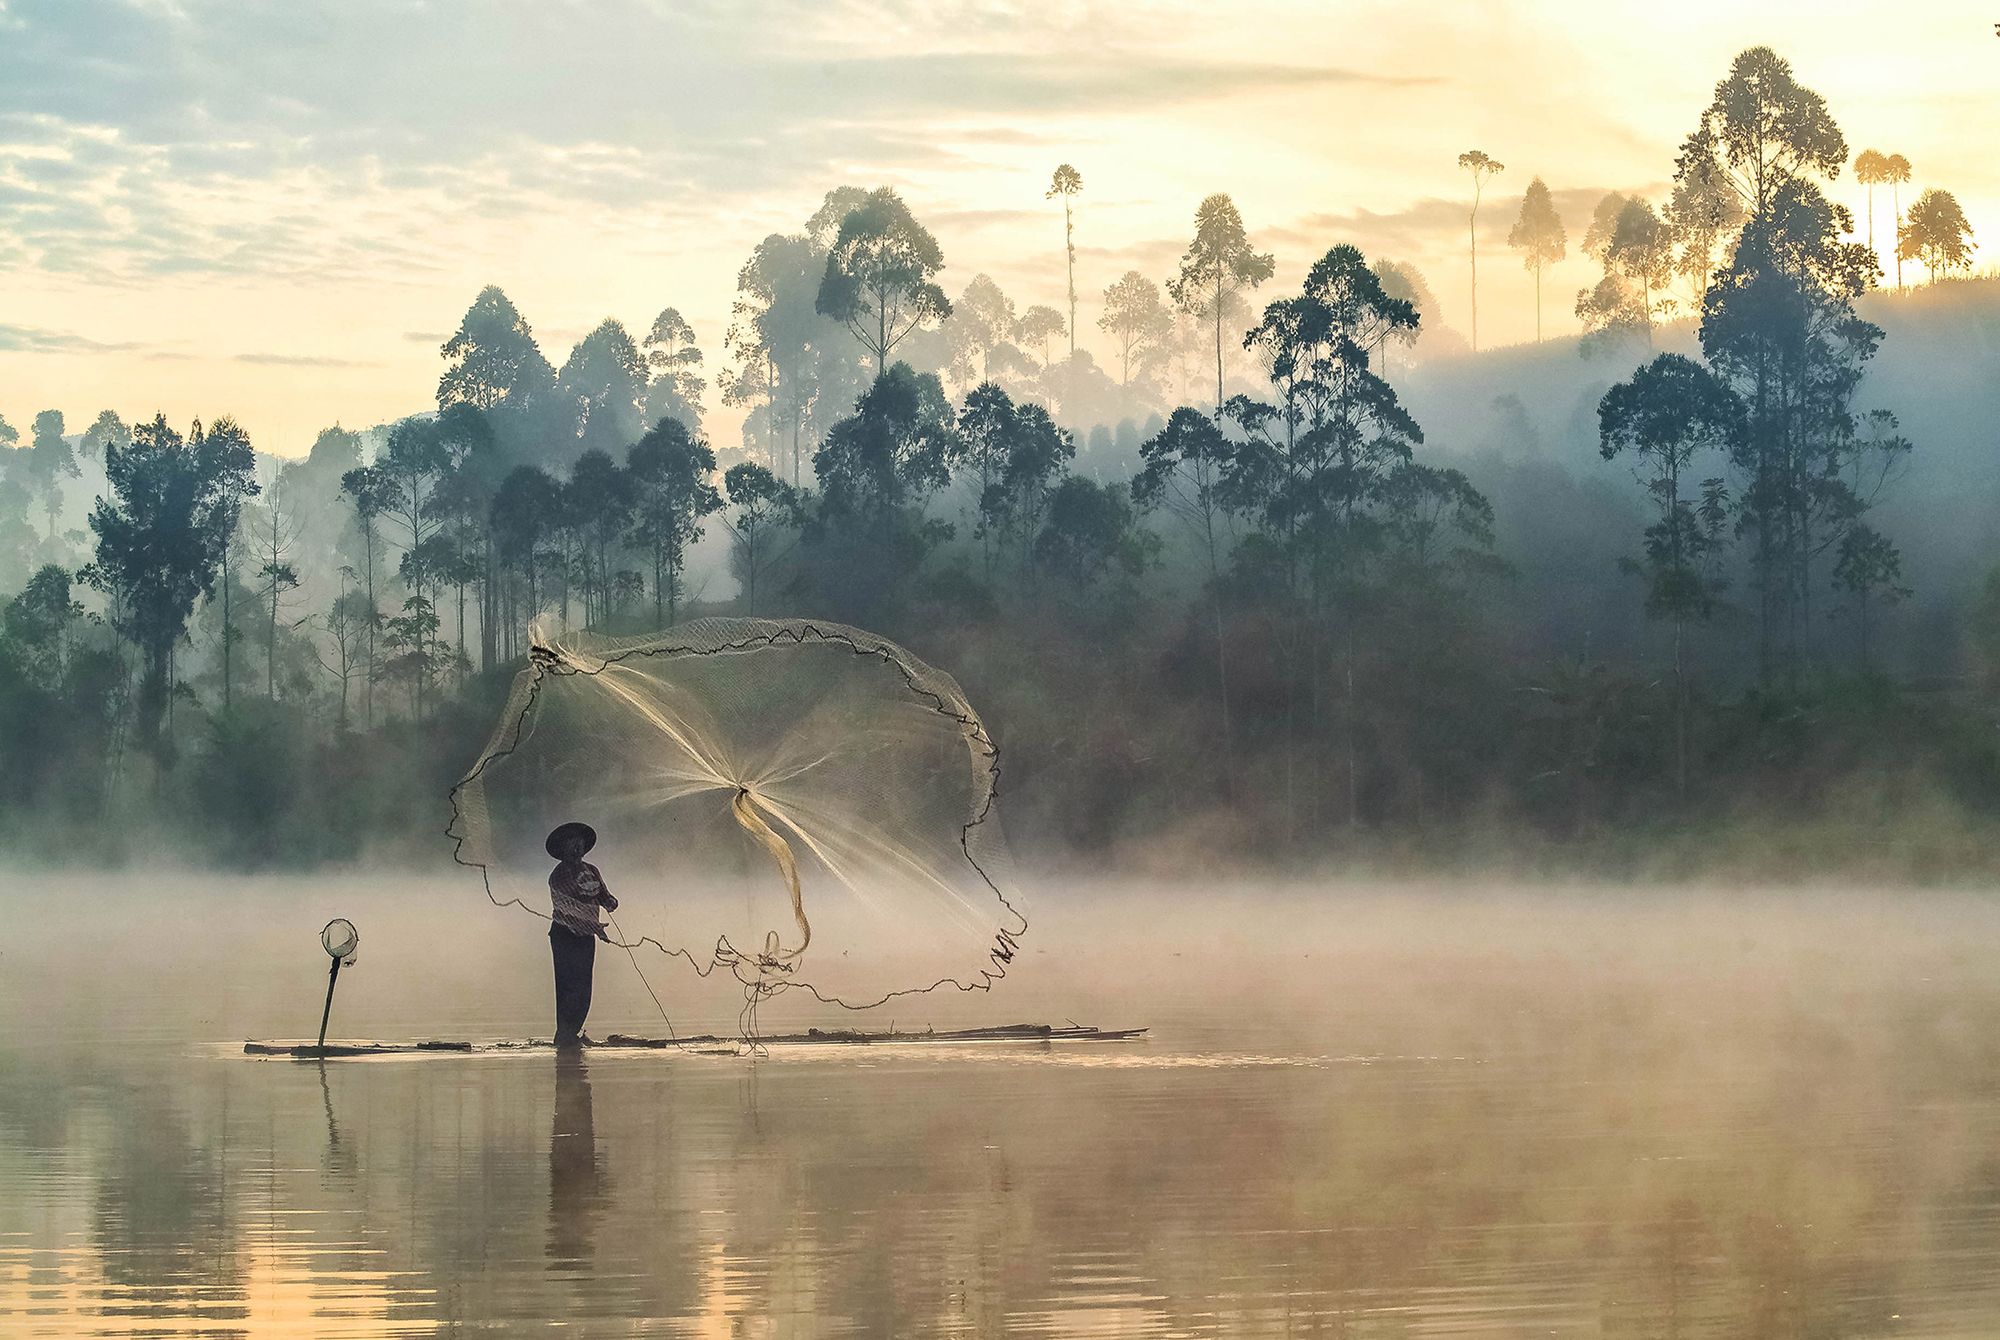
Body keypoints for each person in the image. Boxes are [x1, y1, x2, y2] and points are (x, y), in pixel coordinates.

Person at [545, 821, 617, 1047]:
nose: (576, 849)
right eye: (571, 845)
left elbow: (603, 895)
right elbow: (569, 909)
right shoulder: (559, 875)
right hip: (565, 935)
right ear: (563, 850)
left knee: (584, 986)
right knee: (568, 985)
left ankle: (572, 1034)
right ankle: (564, 1035)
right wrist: (595, 927)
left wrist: (610, 902)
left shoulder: (591, 870)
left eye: (579, 844)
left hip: (586, 936)